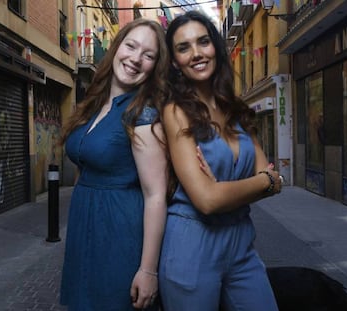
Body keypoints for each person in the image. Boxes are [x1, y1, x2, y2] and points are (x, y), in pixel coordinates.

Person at [158, 11, 282, 311]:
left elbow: (272, 178)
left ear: (216, 47)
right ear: (174, 61)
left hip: (242, 242)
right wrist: (264, 182)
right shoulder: (176, 112)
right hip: (192, 246)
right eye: (184, 47)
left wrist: (260, 182)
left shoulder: (235, 109)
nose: (197, 54)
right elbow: (207, 200)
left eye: (203, 42)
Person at [59, 18, 169, 310]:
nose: (135, 59)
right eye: (131, 46)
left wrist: (148, 270)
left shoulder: (144, 114)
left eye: (148, 55)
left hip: (120, 233)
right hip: (85, 229)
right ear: (116, 47)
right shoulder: (93, 105)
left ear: (155, 67)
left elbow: (156, 194)